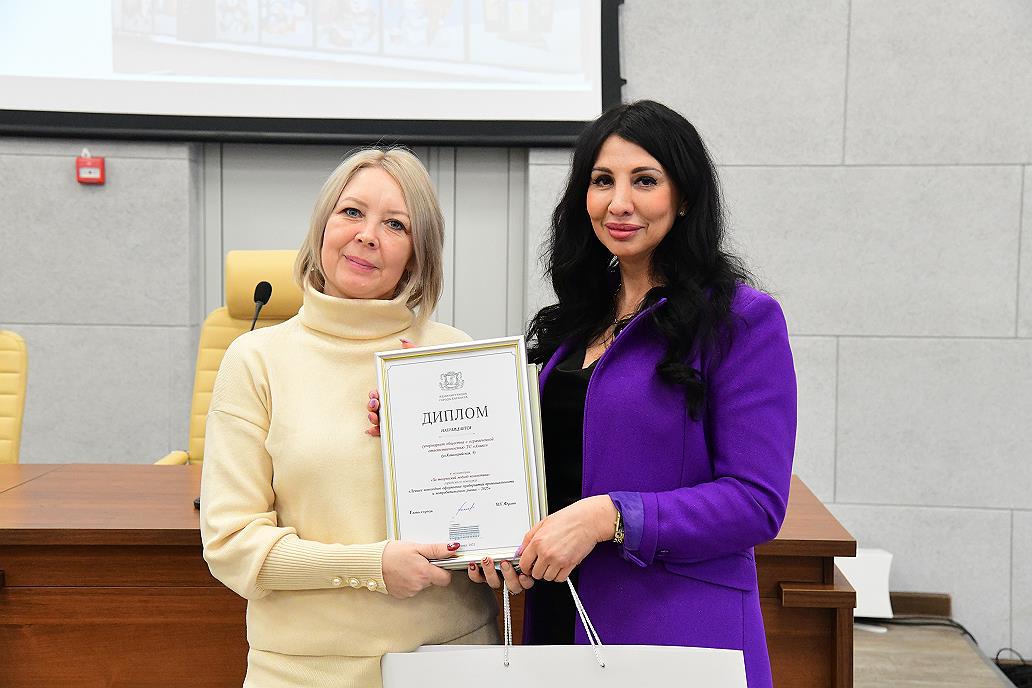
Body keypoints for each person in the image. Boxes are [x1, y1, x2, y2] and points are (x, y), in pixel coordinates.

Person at [469, 100, 796, 687]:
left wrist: (610, 516)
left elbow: (756, 502)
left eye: (644, 180)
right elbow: (557, 468)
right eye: (602, 181)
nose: (618, 202)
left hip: (675, 629)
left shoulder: (741, 321)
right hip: (561, 615)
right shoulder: (577, 324)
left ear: (684, 196)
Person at [200, 147, 498, 688]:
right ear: (322, 226)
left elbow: (491, 523)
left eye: (395, 224)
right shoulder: (256, 359)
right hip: (302, 670)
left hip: (450, 660)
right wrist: (371, 568)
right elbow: (231, 545)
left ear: (418, 253)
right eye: (352, 212)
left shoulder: (452, 355)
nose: (367, 235)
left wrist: (499, 551)